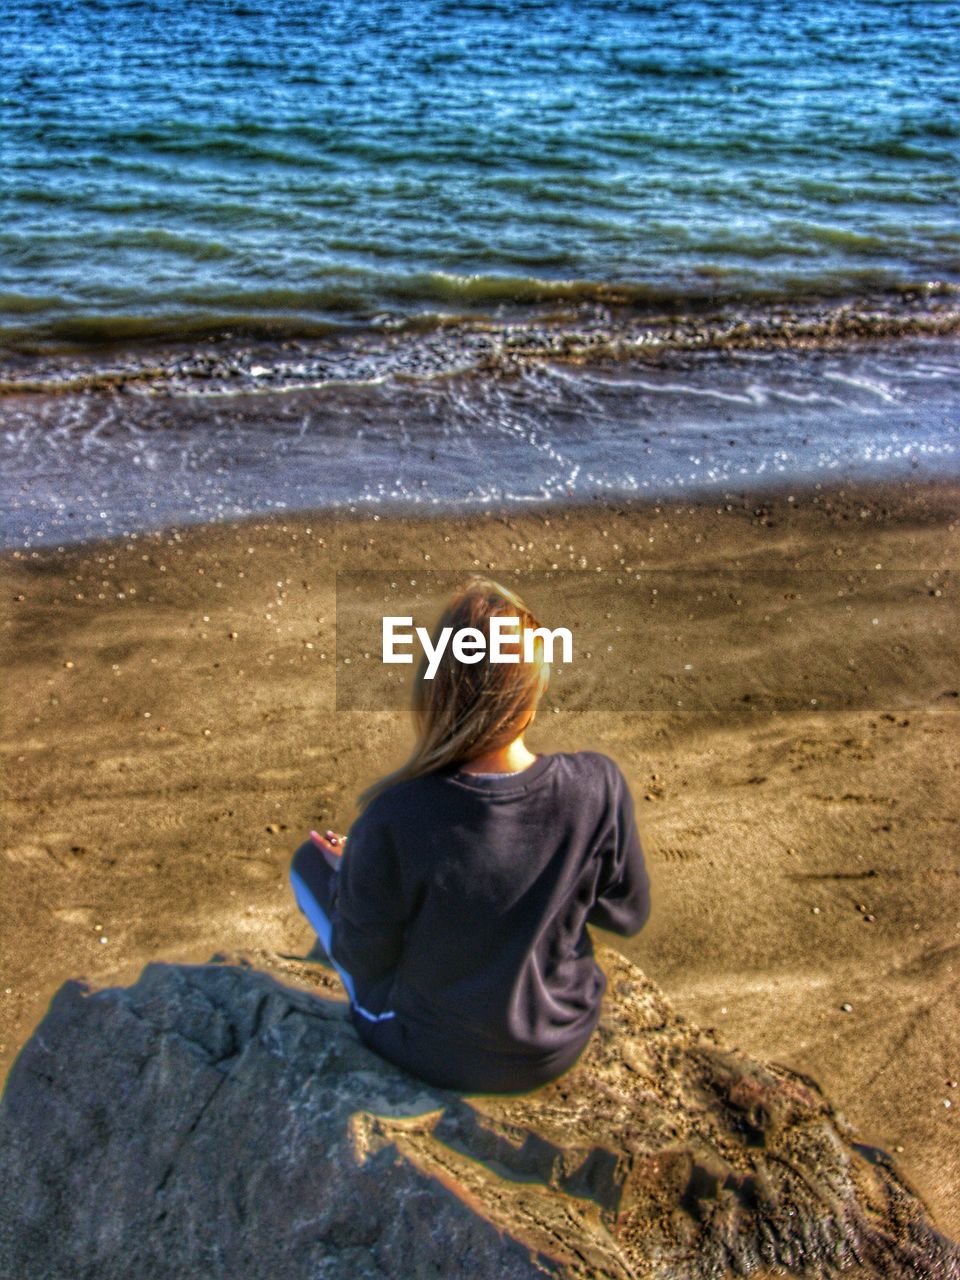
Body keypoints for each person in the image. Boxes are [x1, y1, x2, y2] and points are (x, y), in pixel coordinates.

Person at [289, 578, 650, 1094]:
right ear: (535, 689)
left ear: (437, 690)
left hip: (437, 1054)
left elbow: (361, 956)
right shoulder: (596, 784)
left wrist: (359, 874)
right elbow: (625, 913)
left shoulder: (395, 816)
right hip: (558, 1040)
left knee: (309, 862)